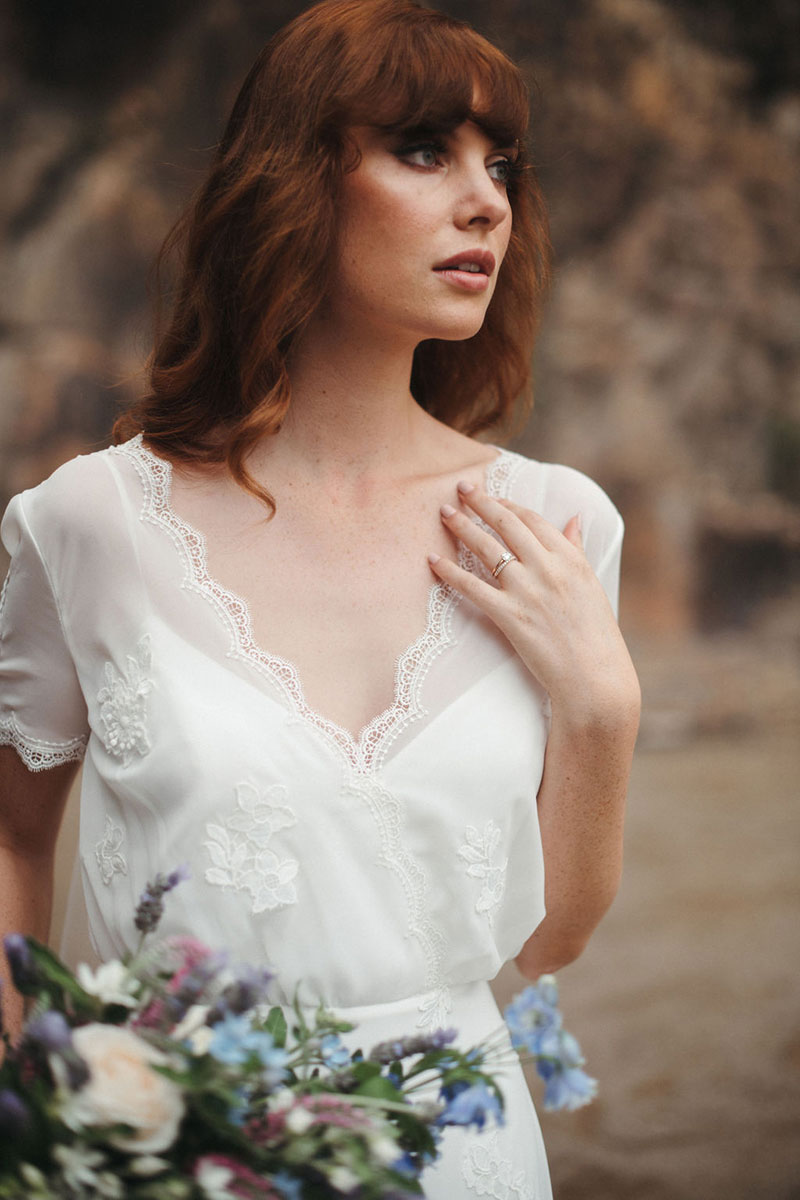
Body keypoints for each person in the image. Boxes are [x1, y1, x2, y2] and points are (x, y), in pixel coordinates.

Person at [0, 0, 640, 1194]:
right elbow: (11, 832)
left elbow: (550, 940)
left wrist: (602, 712)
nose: (485, 200)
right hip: (174, 1150)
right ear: (295, 181)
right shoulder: (87, 522)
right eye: (422, 150)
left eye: (497, 164)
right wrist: (38, 1097)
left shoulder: (553, 526)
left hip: (458, 1146)